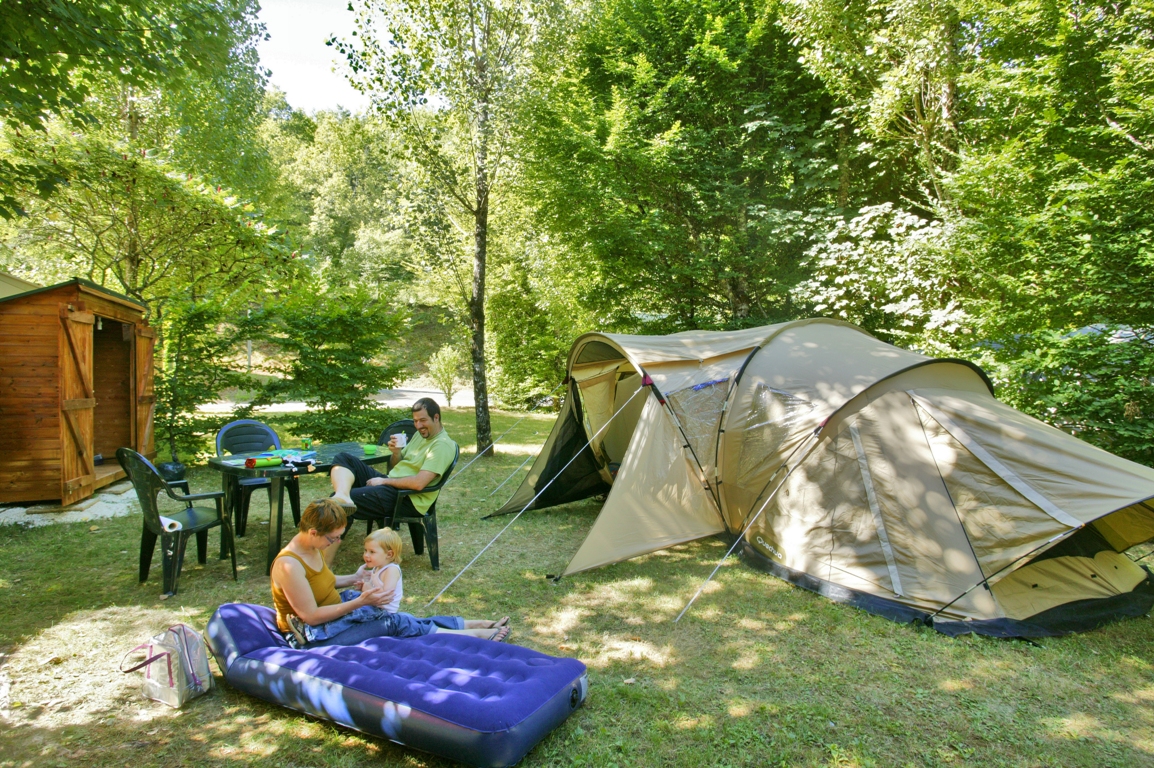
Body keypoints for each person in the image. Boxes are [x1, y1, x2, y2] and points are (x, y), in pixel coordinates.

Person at [270, 499, 508, 648]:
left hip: (334, 618)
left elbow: (325, 582)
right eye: (333, 537)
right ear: (313, 532)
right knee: (393, 621)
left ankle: (472, 625)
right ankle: (473, 633)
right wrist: (360, 602)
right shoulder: (289, 566)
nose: (337, 541)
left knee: (400, 618)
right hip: (315, 636)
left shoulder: (313, 548)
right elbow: (310, 617)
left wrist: (355, 578)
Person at [328, 398, 457, 552]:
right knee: (344, 459)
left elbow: (419, 483)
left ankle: (324, 563)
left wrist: (384, 482)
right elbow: (397, 465)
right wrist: (396, 453)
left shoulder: (441, 445)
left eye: (423, 420)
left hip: (408, 498)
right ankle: (342, 495)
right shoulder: (420, 435)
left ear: (436, 417)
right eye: (415, 421)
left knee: (338, 507)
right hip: (393, 484)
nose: (418, 426)